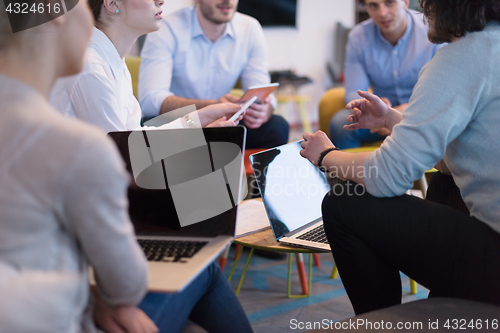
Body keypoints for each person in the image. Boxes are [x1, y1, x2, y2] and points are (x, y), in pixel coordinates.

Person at [0, 1, 253, 332]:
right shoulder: (90, 74)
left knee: (198, 269)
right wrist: (99, 297)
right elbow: (127, 159)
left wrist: (194, 123)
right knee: (200, 263)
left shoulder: (108, 67)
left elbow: (132, 140)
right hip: (53, 314)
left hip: (44, 291)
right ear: (59, 19)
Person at [300, 0, 500, 315]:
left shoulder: (460, 57)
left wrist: (326, 154)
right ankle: (449, 301)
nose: (423, 8)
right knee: (445, 184)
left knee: (342, 202)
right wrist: (392, 120)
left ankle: (381, 322)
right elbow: (455, 157)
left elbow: (386, 178)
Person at [50, 0, 245, 132]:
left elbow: (133, 139)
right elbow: (123, 153)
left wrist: (199, 120)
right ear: (112, 3)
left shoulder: (113, 60)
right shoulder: (90, 65)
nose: (161, 1)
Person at [138, 0, 289, 149]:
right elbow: (150, 101)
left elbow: (261, 91)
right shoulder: (167, 27)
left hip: (225, 123)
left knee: (277, 126)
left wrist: (263, 111)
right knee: (147, 128)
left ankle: (246, 172)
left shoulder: (250, 28)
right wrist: (213, 107)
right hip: (181, 124)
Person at [329, 0, 442, 149]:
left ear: (406, 3)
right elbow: (353, 91)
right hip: (379, 117)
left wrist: (399, 113)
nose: (382, 13)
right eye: (374, 5)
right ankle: (349, 171)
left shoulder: (433, 29)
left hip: (423, 113)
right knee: (340, 123)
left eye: (390, 3)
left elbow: (442, 93)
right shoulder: (358, 37)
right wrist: (370, 107)